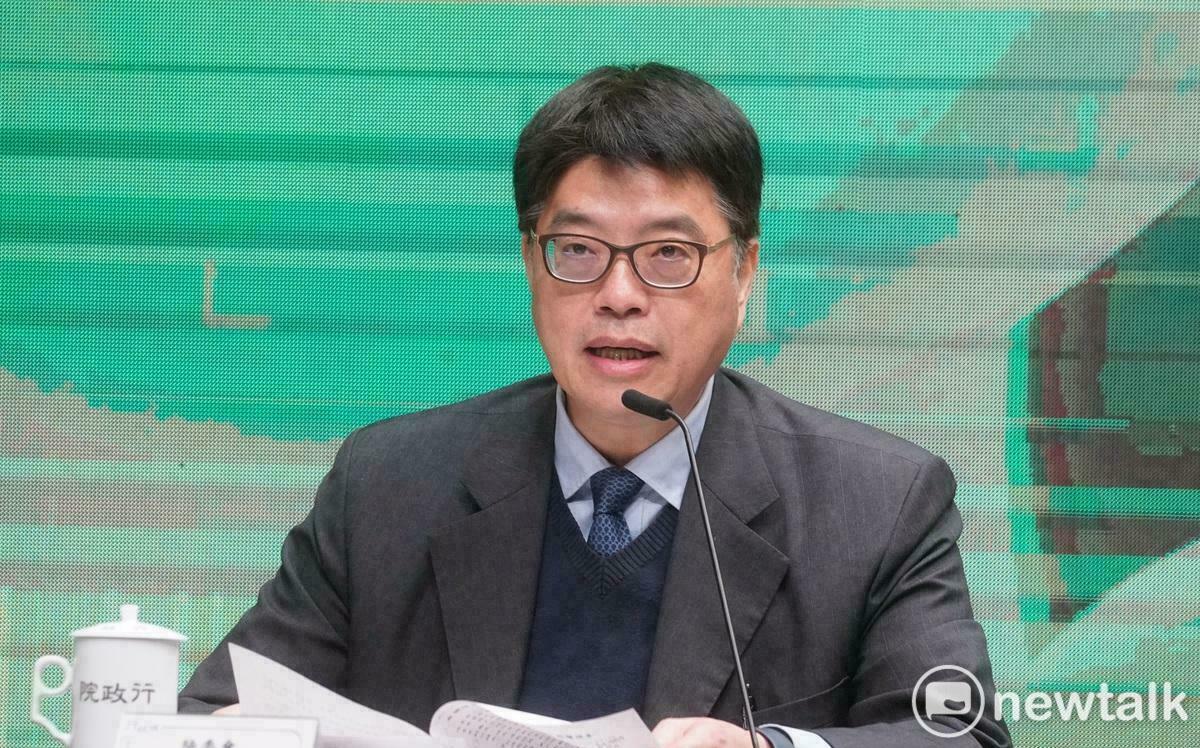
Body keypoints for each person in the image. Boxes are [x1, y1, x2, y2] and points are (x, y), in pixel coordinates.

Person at [180, 63, 1011, 748]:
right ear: (531, 263)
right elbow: (211, 716)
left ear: (744, 273)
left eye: (668, 254)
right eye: (577, 250)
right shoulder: (389, 487)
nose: (618, 294)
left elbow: (957, 735)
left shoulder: (876, 502)